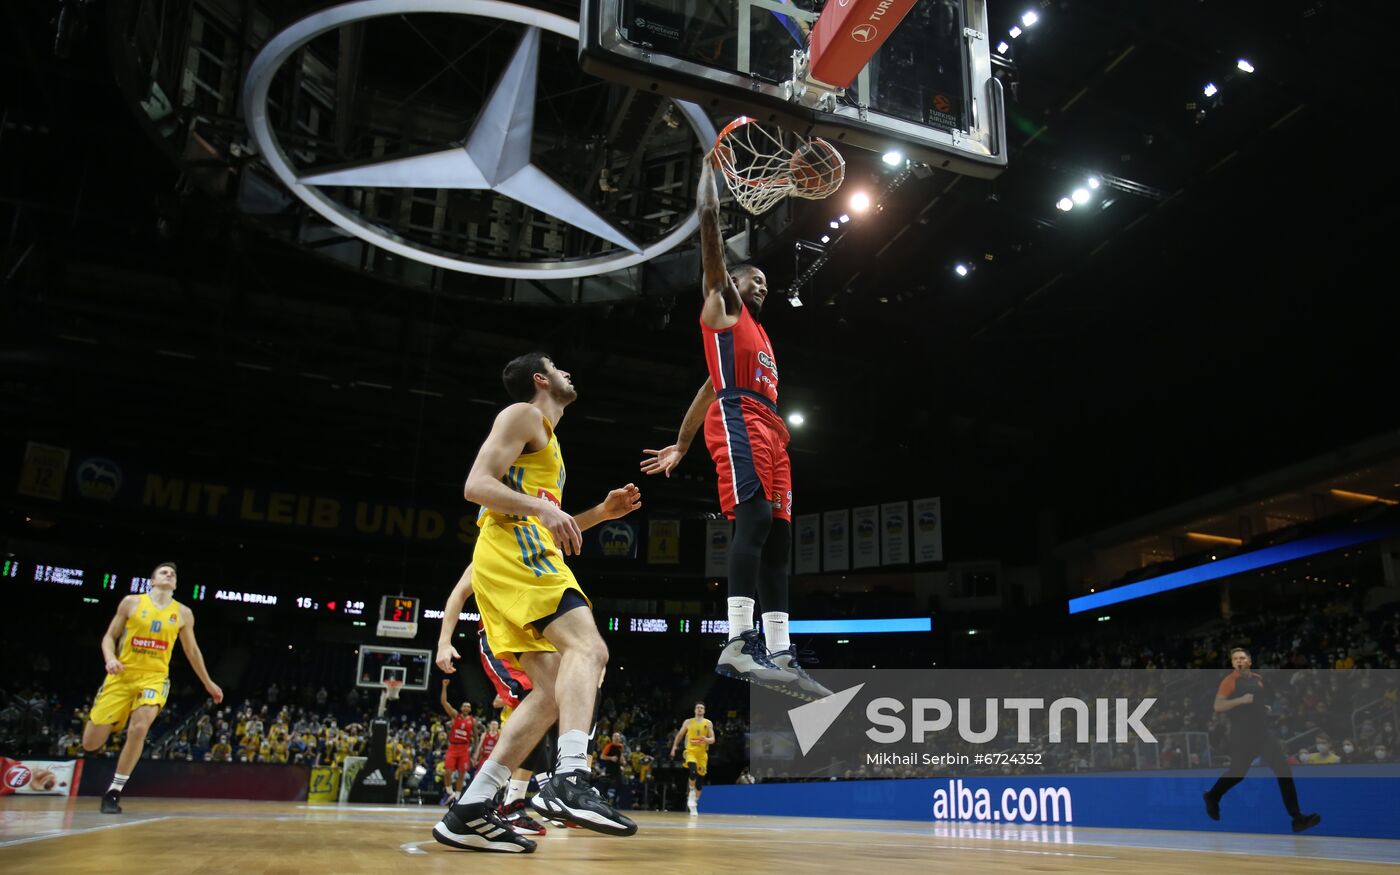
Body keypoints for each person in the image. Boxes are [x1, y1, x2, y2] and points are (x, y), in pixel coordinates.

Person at [432, 352, 643, 853]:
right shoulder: (523, 414)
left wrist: (599, 513)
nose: (570, 372)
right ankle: (570, 780)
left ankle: (471, 808)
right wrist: (539, 510)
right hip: (514, 551)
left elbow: (553, 522)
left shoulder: (549, 440)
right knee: (590, 652)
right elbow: (475, 486)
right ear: (540, 379)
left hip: (512, 558)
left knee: (551, 695)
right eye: (560, 367)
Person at [640, 163, 827, 701]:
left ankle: (780, 648)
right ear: (732, 284)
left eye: (765, 282)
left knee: (782, 539)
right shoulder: (722, 305)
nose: (761, 284)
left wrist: (680, 441)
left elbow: (704, 388)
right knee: (757, 518)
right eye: (754, 278)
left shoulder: (759, 337)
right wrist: (708, 194)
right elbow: (711, 248)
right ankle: (738, 640)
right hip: (740, 417)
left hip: (771, 429)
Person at [80, 561, 223, 813]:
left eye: (173, 574)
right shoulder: (131, 602)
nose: (169, 575)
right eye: (163, 572)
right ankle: (116, 719)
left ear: (175, 584)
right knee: (91, 744)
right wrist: (110, 658)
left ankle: (113, 792)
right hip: (122, 676)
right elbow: (109, 637)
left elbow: (191, 651)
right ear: (153, 580)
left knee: (139, 728)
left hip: (154, 678)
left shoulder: (183, 613)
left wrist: (208, 682)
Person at [435, 564, 549, 836]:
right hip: (499, 639)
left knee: (552, 702)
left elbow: (568, 527)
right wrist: (444, 642)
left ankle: (517, 800)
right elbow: (458, 594)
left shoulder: (533, 542)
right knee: (537, 700)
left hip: (530, 641)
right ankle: (520, 795)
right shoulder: (489, 548)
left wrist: (601, 517)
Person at [1203, 648, 1321, 832]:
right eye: (1235, 659)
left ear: (1249, 660)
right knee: (1238, 773)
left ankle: (1297, 817)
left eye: (1242, 658)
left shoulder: (1258, 679)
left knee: (1284, 770)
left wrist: (1265, 706)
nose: (1239, 661)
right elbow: (1218, 705)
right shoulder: (1230, 681)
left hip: (1263, 734)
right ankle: (1212, 796)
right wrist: (1241, 700)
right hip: (1242, 735)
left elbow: (1263, 699)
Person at [669, 702, 715, 815]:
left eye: (702, 708)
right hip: (690, 751)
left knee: (699, 783)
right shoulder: (688, 722)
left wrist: (706, 739)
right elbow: (680, 735)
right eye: (698, 708)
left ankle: (694, 802)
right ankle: (691, 791)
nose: (699, 709)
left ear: (704, 711)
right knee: (692, 771)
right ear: (695, 710)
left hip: (702, 754)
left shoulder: (708, 723)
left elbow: (713, 739)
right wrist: (674, 747)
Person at [438, 679, 475, 803]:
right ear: (461, 708)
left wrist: (474, 753)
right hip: (453, 747)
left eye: (468, 706)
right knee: (447, 771)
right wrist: (444, 687)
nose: (466, 707)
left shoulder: (473, 721)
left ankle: (458, 797)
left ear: (470, 709)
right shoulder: (455, 715)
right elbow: (444, 702)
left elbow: (476, 737)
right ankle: (449, 792)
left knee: (462, 774)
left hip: (464, 748)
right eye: (464, 705)